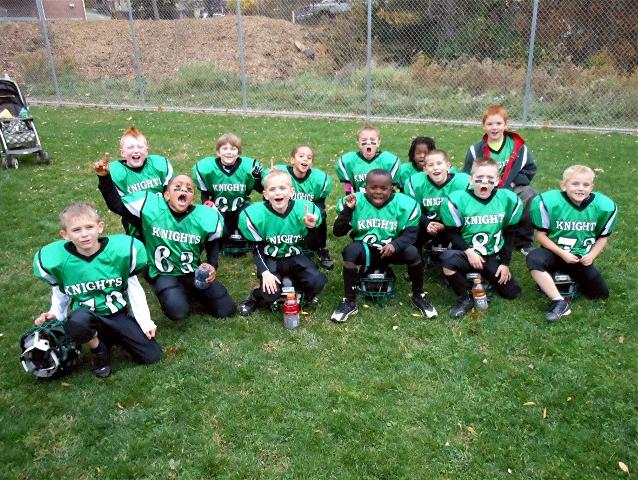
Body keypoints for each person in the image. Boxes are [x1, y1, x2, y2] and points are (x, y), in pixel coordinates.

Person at [33, 202, 161, 378]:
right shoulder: (59, 261)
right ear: (65, 235)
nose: (84, 234)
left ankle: (111, 337)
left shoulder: (120, 252)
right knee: (77, 321)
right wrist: (55, 313)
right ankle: (97, 349)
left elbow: (134, 290)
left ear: (100, 227)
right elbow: (60, 291)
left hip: (117, 314)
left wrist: (145, 322)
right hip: (87, 317)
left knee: (152, 356)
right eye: (76, 230)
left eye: (89, 227)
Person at [96, 162, 237, 322]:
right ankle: (175, 293)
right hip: (163, 272)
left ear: (192, 199)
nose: (184, 190)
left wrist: (212, 264)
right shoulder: (150, 206)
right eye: (177, 187)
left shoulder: (205, 215)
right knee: (178, 312)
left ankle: (187, 292)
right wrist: (104, 179)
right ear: (166, 195)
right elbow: (117, 205)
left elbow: (215, 239)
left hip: (191, 270)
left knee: (227, 310)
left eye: (189, 189)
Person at [330, 169, 437, 323]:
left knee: (413, 253)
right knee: (351, 251)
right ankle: (349, 301)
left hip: (391, 250)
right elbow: (338, 232)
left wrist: (396, 244)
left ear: (391, 188)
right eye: (373, 187)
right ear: (365, 187)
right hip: (366, 249)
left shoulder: (403, 203)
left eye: (383, 188)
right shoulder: (356, 201)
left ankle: (418, 295)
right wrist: (348, 210)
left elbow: (411, 234)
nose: (378, 192)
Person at [526, 165, 618, 321]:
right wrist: (562, 254)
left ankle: (566, 279)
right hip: (554, 253)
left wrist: (592, 255)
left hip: (579, 258)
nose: (580, 188)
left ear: (592, 187)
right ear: (563, 185)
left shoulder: (603, 206)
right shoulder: (550, 202)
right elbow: (540, 235)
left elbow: (603, 237)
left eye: (585, 185)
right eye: (575, 184)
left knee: (600, 295)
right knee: (534, 258)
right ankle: (559, 302)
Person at [439, 157, 523, 318]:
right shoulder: (458, 200)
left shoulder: (507, 200)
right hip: (466, 252)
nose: (484, 182)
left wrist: (505, 263)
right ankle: (464, 299)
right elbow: (452, 233)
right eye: (479, 177)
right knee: (447, 259)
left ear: (497, 180)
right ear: (471, 179)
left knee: (512, 292)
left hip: (490, 254)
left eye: (490, 178)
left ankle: (483, 278)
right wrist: (469, 252)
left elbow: (510, 233)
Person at [237, 169, 327, 316]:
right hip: (271, 258)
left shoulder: (303, 210)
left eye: (282, 188)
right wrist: (265, 272)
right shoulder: (256, 215)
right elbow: (257, 248)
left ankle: (302, 291)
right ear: (265, 194)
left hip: (294, 255)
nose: (278, 193)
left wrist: (311, 228)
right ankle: (255, 296)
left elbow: (313, 245)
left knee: (317, 281)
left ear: (291, 192)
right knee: (269, 294)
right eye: (272, 189)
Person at [463, 105, 537, 254]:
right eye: (490, 124)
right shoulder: (475, 150)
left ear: (506, 125)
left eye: (498, 123)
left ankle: (523, 241)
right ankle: (479, 234)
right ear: (483, 126)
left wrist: (514, 182)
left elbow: (530, 169)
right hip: (485, 189)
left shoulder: (518, 148)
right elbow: (467, 174)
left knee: (529, 194)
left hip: (510, 188)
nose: (494, 128)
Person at [262, 144, 334, 269]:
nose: (305, 159)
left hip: (305, 212)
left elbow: (320, 202)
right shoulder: (281, 174)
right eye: (301, 156)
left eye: (309, 158)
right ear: (292, 160)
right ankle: (275, 243)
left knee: (320, 214)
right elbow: (268, 198)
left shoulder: (318, 179)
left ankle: (321, 247)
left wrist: (315, 214)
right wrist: (273, 177)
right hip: (285, 209)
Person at [192, 133, 264, 244]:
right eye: (225, 148)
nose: (229, 152)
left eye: (233, 149)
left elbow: (261, 190)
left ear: (238, 152)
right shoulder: (207, 168)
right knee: (222, 235)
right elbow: (204, 192)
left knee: (249, 229)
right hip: (219, 208)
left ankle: (238, 230)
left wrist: (257, 178)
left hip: (241, 207)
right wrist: (207, 208)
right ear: (218, 152)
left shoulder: (248, 167)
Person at [108, 127, 174, 240]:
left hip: (163, 221)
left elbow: (171, 194)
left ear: (146, 151)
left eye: (140, 147)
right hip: (135, 226)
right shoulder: (117, 173)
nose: (136, 150)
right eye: (130, 147)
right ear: (122, 152)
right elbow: (118, 205)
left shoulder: (159, 165)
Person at [404, 149, 471, 259]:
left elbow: (469, 211)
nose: (435, 168)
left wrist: (445, 226)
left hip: (455, 224)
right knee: (411, 227)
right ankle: (416, 260)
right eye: (431, 165)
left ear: (448, 166)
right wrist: (427, 223)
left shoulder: (462, 182)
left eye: (439, 163)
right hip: (428, 222)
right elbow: (413, 210)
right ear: (425, 169)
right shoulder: (416, 183)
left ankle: (462, 257)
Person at [335, 125, 400, 194]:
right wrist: (350, 196)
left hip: (382, 198)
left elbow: (392, 188)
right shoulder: (349, 161)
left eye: (372, 140)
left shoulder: (389, 161)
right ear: (359, 143)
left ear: (378, 143)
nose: (368, 142)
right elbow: (348, 188)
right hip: (359, 198)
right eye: (364, 140)